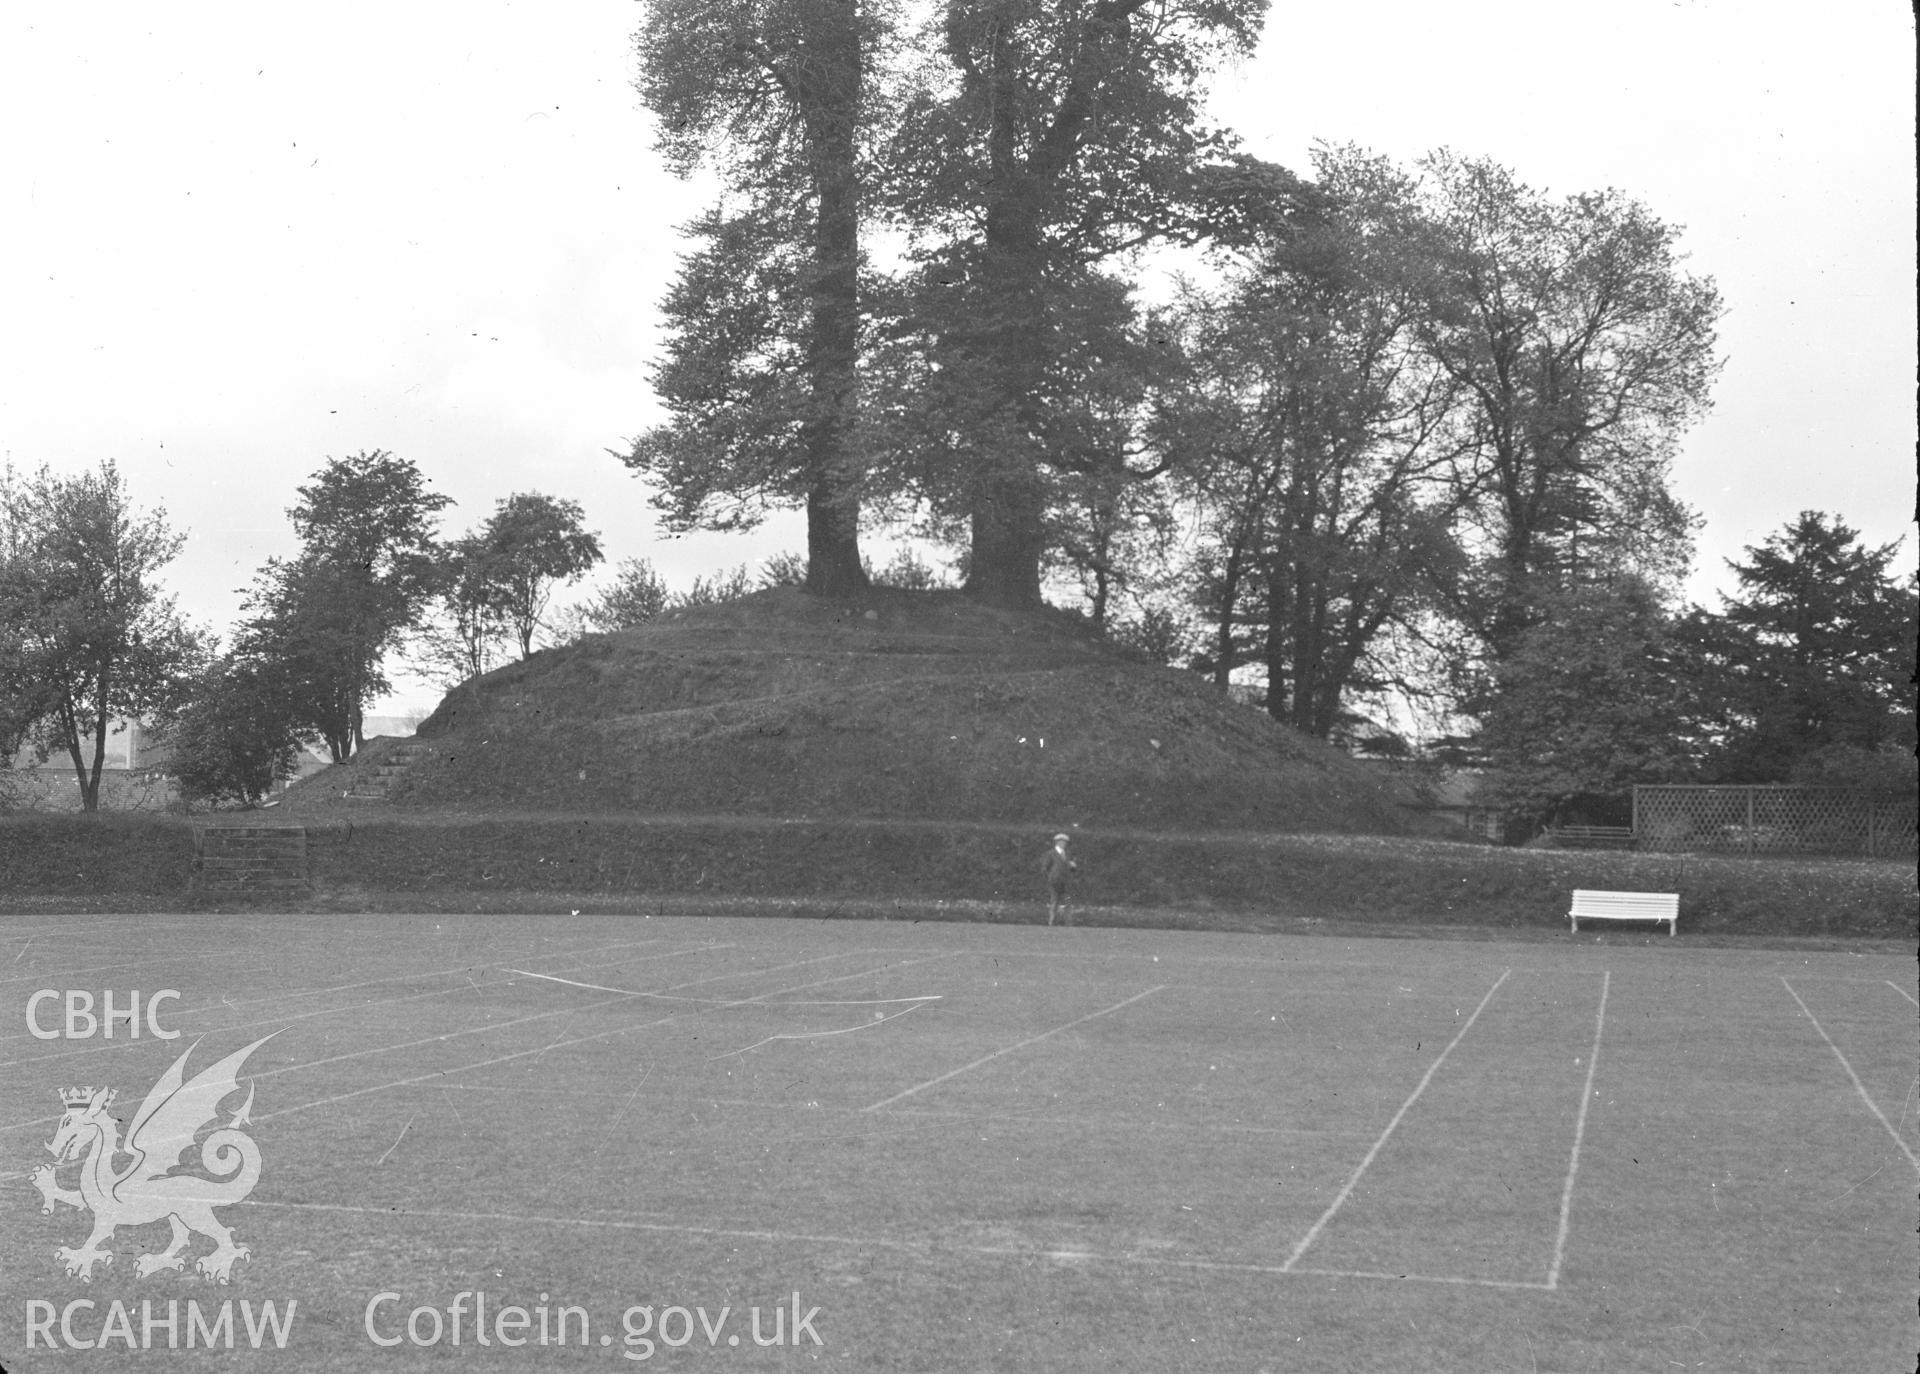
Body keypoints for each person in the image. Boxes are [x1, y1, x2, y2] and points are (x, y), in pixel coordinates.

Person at [1042, 832, 1078, 926]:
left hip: (1066, 883)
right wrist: (1051, 878)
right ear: (1057, 842)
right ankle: (1052, 922)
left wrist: (1072, 866)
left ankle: (1068, 922)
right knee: (1054, 902)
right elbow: (1045, 868)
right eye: (1062, 842)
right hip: (1055, 883)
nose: (1064, 844)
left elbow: (1072, 869)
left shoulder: (1068, 854)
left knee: (1068, 902)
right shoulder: (1050, 854)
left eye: (1065, 842)